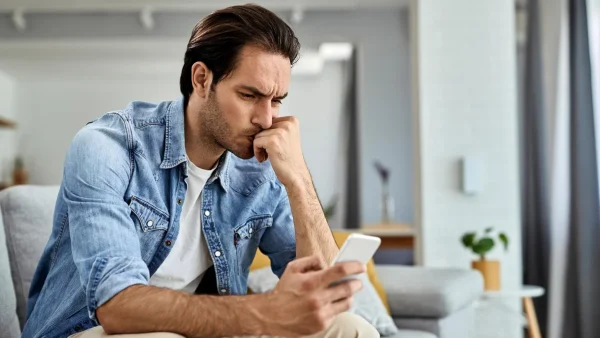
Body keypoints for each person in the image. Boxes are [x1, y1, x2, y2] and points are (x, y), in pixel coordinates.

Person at [21, 4, 379, 338]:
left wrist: (298, 179)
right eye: (250, 95)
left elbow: (327, 293)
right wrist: (266, 311)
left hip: (204, 328)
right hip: (90, 329)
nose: (266, 119)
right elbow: (117, 305)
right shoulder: (107, 147)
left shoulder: (259, 169)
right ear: (202, 79)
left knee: (350, 328)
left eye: (277, 100)